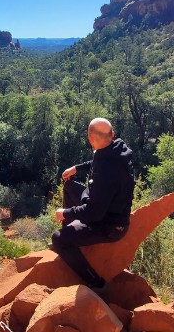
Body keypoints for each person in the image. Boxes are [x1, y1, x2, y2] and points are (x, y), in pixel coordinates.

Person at [51, 117, 134, 297]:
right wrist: (77, 168)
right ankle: (72, 236)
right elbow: (97, 161)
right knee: (70, 187)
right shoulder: (115, 147)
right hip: (102, 207)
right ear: (111, 134)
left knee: (58, 239)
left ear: (91, 139)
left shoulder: (108, 171)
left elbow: (94, 212)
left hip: (110, 226)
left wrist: (66, 213)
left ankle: (97, 283)